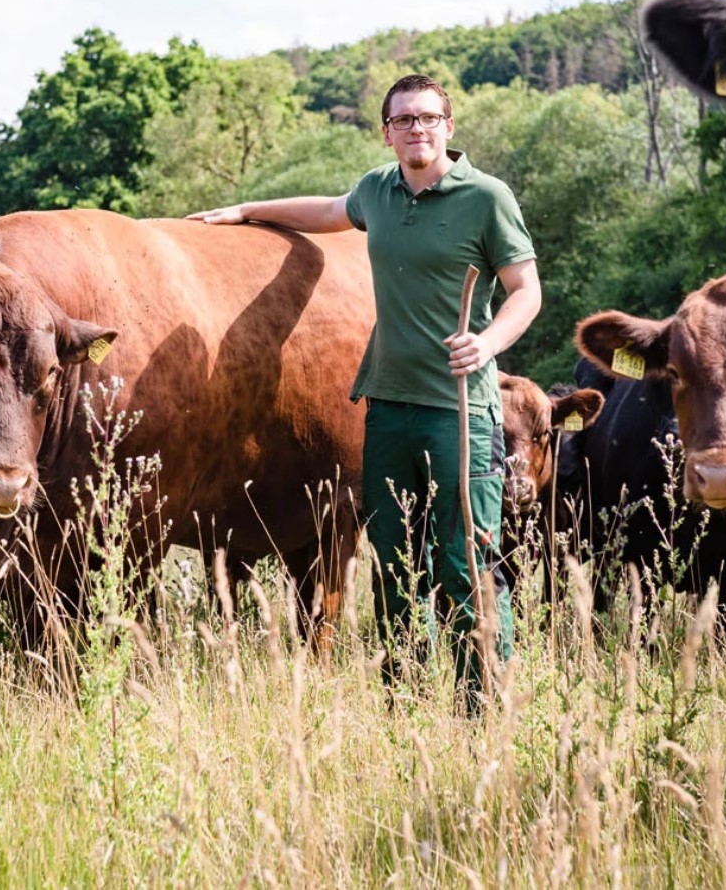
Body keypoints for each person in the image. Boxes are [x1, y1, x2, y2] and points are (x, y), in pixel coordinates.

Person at [189, 74, 541, 708]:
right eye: (403, 119)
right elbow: (325, 212)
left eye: (428, 118)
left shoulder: (487, 198)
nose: (416, 128)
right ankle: (406, 695)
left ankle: (481, 702)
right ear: (386, 131)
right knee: (397, 562)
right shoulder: (378, 191)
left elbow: (526, 292)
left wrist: (488, 344)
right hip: (388, 406)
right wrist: (246, 211)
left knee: (465, 559)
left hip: (461, 409)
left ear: (448, 127)